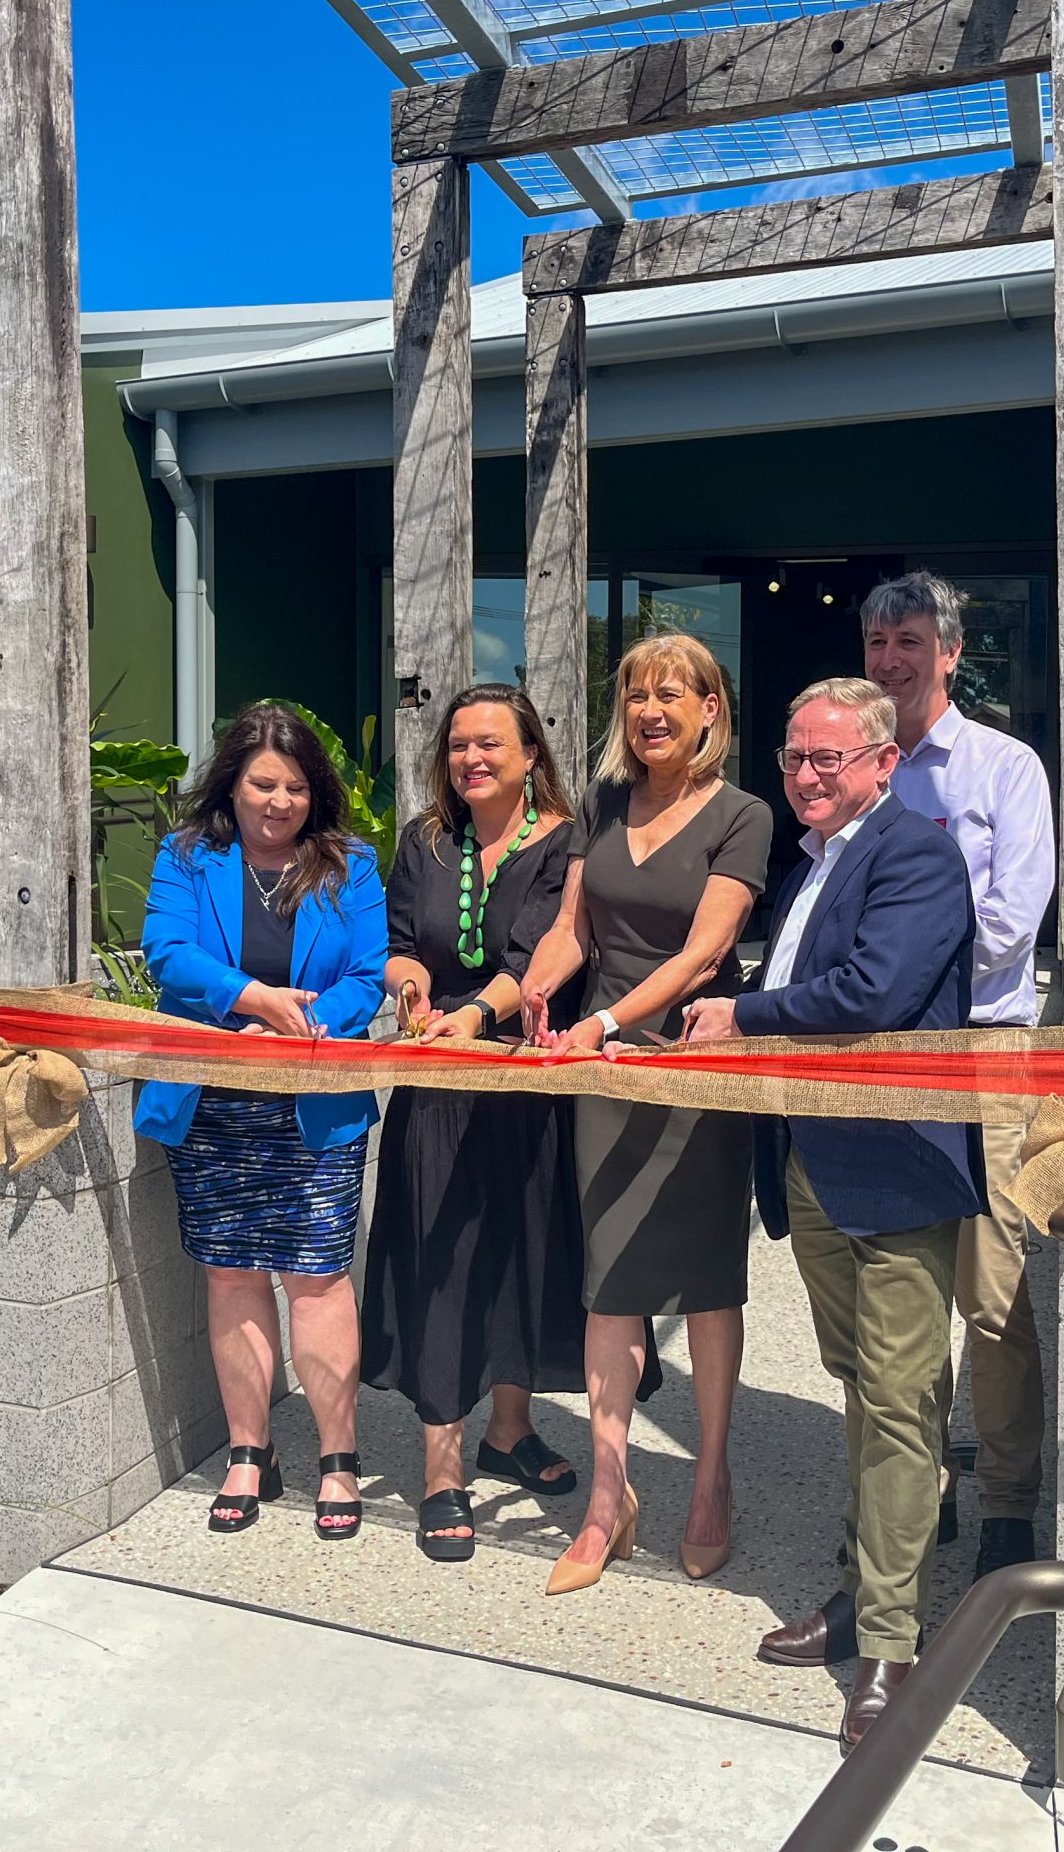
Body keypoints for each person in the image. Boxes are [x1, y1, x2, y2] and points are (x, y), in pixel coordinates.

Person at [682, 677, 980, 1754]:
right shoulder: (816, 862)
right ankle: (862, 1592)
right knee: (861, 1387)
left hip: (894, 1167)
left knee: (900, 1404)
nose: (806, 776)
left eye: (829, 759)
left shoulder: (914, 853)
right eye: (794, 758)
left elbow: (875, 993)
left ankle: (892, 1649)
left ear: (883, 763)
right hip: (813, 1160)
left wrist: (742, 1015)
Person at [520, 632, 771, 1596]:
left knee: (708, 1282)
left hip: (692, 1060)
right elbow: (571, 928)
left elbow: (708, 955)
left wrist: (607, 1024)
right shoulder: (603, 804)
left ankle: (710, 1480)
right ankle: (607, 1498)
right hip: (601, 1065)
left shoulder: (742, 815)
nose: (652, 710)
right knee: (608, 1278)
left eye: (674, 694)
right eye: (636, 696)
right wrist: (540, 1001)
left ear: (712, 710)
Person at [136, 704, 388, 1543]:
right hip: (212, 1096)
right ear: (232, 785)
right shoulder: (187, 857)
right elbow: (168, 953)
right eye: (262, 784)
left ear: (316, 792)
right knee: (231, 1273)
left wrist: (305, 1027)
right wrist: (253, 1003)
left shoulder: (352, 864)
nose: (278, 802)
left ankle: (338, 1456)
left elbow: (368, 972)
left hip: (315, 1096)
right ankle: (251, 1451)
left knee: (316, 1278)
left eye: (294, 787)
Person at [362, 683, 596, 1563]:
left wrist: (481, 1016)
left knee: (519, 1253)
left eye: (493, 744)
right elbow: (396, 940)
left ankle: (508, 1431)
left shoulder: (567, 842)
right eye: (460, 744)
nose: (474, 759)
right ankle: (441, 1469)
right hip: (439, 1081)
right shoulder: (424, 841)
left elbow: (541, 953)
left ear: (532, 753)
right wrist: (408, 981)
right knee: (444, 1261)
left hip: (527, 1077)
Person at [859, 570, 1057, 1579]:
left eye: (909, 640)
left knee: (991, 1292)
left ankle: (1010, 1505)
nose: (890, 658)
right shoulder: (855, 773)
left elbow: (1013, 921)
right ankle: (920, 1482)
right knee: (900, 1284)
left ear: (949, 652)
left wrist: (888, 976)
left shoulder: (1004, 768)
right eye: (877, 642)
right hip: (877, 1058)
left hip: (979, 1048)